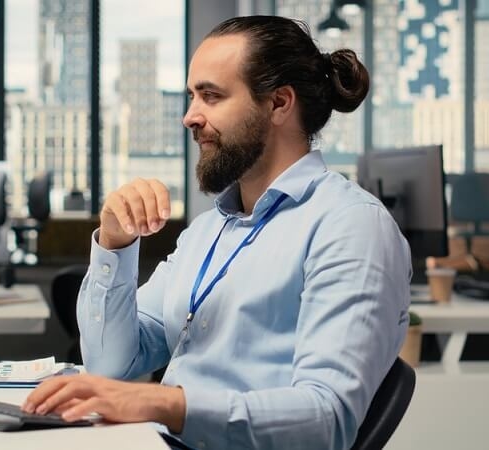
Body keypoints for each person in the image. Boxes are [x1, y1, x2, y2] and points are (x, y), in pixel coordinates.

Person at [23, 15, 411, 450]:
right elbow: (110, 366)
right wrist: (116, 243)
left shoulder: (350, 225)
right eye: (192, 96)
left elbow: (326, 419)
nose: (190, 117)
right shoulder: (208, 230)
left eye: (211, 96)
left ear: (280, 103)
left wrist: (163, 404)